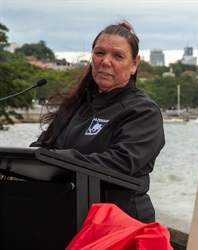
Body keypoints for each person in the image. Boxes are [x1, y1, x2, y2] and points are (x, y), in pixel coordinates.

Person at [30, 20, 165, 224]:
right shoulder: (77, 104)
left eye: (118, 56)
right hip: (68, 216)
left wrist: (55, 159)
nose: (106, 61)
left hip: (119, 225)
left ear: (134, 64)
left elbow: (120, 162)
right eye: (100, 53)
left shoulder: (143, 111)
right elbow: (42, 147)